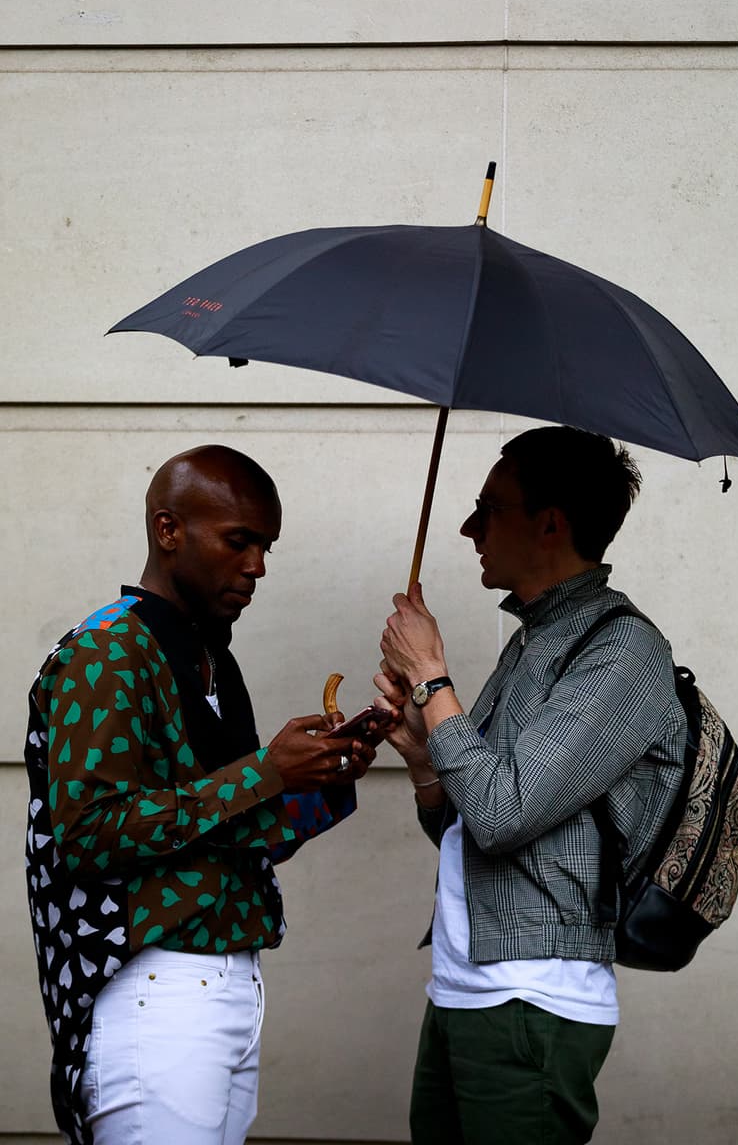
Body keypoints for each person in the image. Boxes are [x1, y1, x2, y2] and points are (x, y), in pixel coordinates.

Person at [24, 444, 381, 1145]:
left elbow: (239, 834)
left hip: (225, 992)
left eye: (266, 547)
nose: (257, 567)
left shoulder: (209, 654)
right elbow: (89, 835)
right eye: (239, 541)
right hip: (153, 994)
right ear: (168, 531)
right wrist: (267, 771)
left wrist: (325, 775)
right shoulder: (107, 653)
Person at [375, 426, 687, 1145]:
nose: (467, 527)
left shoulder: (621, 650)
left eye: (488, 508)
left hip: (531, 1004)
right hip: (464, 987)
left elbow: (503, 813)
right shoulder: (536, 639)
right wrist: (425, 761)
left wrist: (431, 676)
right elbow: (467, 832)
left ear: (550, 523)